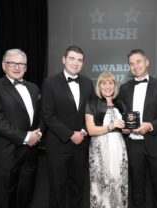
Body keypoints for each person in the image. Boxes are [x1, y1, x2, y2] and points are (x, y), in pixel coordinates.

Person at [0, 48, 43, 208]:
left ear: (26, 67)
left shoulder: (34, 88)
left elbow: (41, 116)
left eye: (21, 64)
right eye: (12, 63)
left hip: (30, 152)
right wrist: (25, 137)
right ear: (4, 65)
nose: (17, 67)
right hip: (7, 153)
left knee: (25, 196)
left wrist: (38, 133)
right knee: (5, 199)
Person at [118, 49, 157, 208]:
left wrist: (150, 125)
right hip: (133, 146)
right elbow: (123, 116)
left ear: (147, 62)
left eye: (138, 61)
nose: (135, 66)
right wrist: (124, 128)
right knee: (137, 189)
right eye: (131, 63)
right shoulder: (124, 89)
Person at [41, 45, 94, 208]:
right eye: (72, 58)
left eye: (79, 60)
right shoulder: (50, 83)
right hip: (58, 145)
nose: (75, 63)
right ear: (64, 60)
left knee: (78, 187)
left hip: (81, 145)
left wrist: (84, 131)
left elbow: (91, 111)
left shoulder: (88, 83)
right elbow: (48, 115)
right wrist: (71, 134)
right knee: (57, 189)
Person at [85, 71, 128, 208]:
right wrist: (111, 126)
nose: (107, 86)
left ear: (115, 86)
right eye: (104, 83)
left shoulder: (120, 104)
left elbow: (125, 128)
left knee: (118, 181)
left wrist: (126, 129)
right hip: (99, 149)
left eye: (111, 83)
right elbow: (91, 130)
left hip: (118, 148)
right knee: (100, 184)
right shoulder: (91, 103)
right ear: (99, 86)